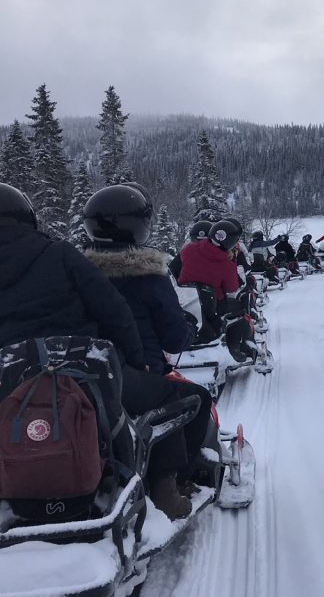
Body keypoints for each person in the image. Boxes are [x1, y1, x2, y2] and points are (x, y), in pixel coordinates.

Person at [0, 182, 193, 519]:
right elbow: (113, 311)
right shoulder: (57, 253)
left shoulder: (63, 252)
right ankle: (165, 492)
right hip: (80, 369)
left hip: (8, 379)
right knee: (166, 396)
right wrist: (135, 362)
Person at [82, 183, 212, 512]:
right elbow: (173, 338)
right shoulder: (151, 276)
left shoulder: (78, 273)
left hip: (87, 374)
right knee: (195, 398)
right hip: (140, 372)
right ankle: (173, 482)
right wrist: (188, 329)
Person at [177, 220, 257, 361]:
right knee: (240, 309)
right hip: (212, 305)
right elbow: (231, 288)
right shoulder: (226, 262)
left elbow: (175, 268)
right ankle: (237, 346)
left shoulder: (188, 250)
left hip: (186, 300)